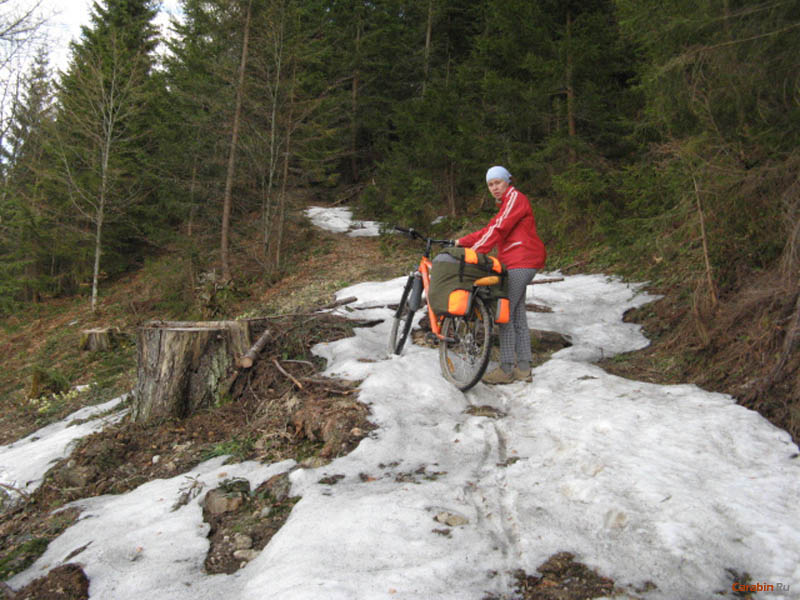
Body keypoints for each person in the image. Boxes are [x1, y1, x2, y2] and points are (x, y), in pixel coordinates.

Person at [455, 165, 546, 384]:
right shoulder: (507, 204)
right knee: (516, 316)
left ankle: (506, 370)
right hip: (517, 262)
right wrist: (461, 242)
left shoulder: (515, 198)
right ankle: (523, 368)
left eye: (498, 183)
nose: (494, 188)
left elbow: (498, 230)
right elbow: (489, 229)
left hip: (521, 261)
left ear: (508, 181)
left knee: (503, 314)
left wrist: (474, 254)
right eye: (490, 185)